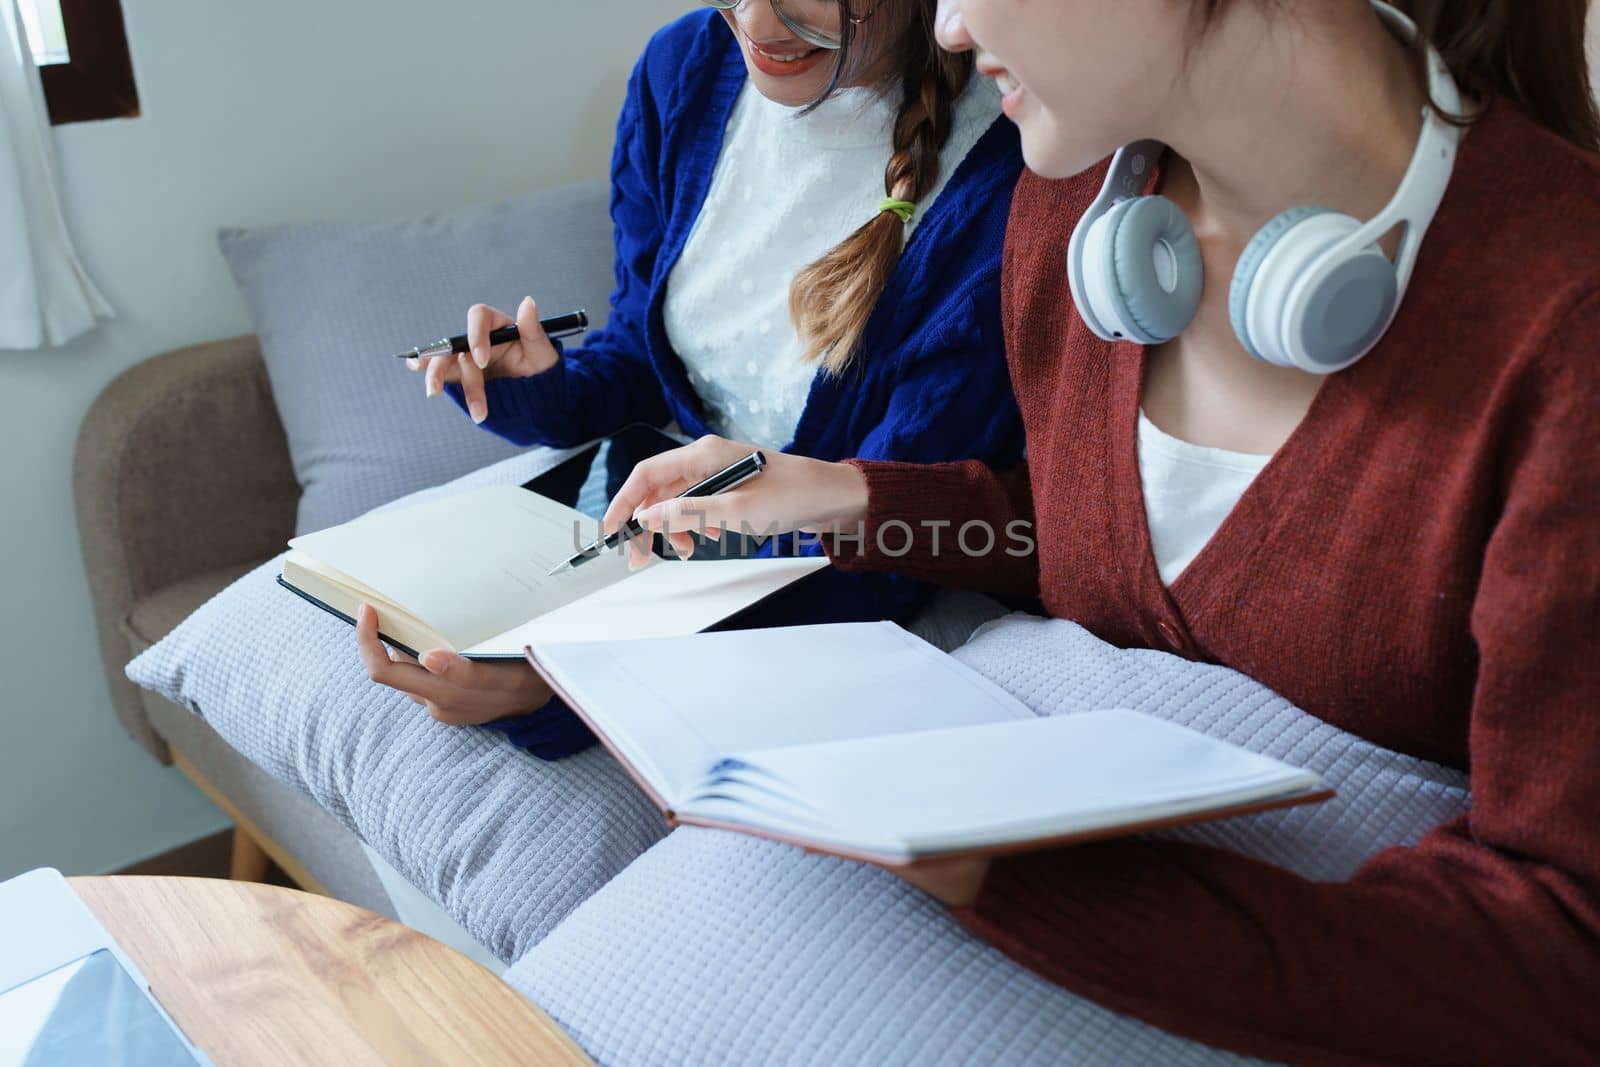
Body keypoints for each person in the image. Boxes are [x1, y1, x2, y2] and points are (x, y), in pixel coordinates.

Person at [606, 0, 1600, 1059]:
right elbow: (1100, 542)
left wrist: (1027, 878)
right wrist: (841, 498)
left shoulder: (1564, 338)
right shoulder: (1081, 218)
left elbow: (1566, 949)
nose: (942, 25)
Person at [355, 1, 1026, 753]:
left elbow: (887, 553)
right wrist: (538, 382)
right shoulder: (685, 70)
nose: (757, 28)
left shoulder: (1008, 183)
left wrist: (575, 682)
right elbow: (648, 361)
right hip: (684, 557)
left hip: (836, 593)